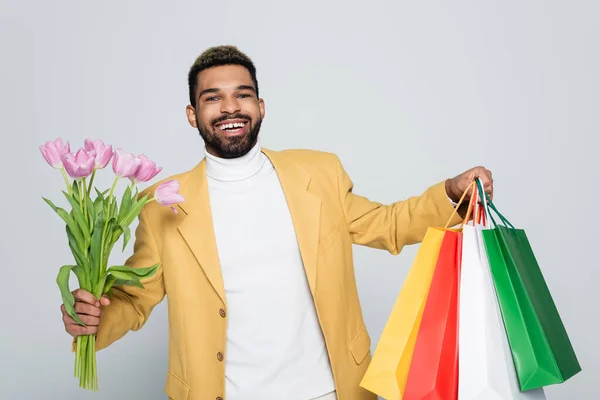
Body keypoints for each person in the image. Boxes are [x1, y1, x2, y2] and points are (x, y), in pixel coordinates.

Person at [60, 45, 493, 400]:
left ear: (261, 106)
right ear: (193, 114)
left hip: (331, 391)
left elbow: (388, 225)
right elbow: (134, 300)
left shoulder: (318, 174)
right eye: (212, 98)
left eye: (243, 94)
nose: (231, 107)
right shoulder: (161, 204)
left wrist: (450, 194)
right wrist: (95, 323)